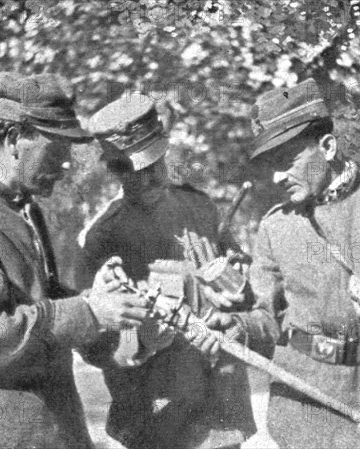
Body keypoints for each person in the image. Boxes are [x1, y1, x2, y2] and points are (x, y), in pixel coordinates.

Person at [195, 78, 360, 448]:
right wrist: (235, 327)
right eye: (270, 165)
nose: (277, 177)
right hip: (306, 407)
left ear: (328, 146)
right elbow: (268, 319)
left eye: (286, 161)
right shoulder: (275, 227)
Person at [0, 73, 152, 449]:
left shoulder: (23, 211)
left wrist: (99, 298)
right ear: (14, 140)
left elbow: (39, 301)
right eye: (57, 150)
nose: (66, 165)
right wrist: (89, 310)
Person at [73, 92, 255, 449]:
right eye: (131, 172)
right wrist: (140, 340)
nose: (144, 181)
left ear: (164, 152)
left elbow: (244, 291)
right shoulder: (102, 239)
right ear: (115, 170)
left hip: (220, 409)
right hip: (157, 420)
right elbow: (91, 340)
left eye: (152, 167)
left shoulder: (200, 209)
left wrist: (236, 288)